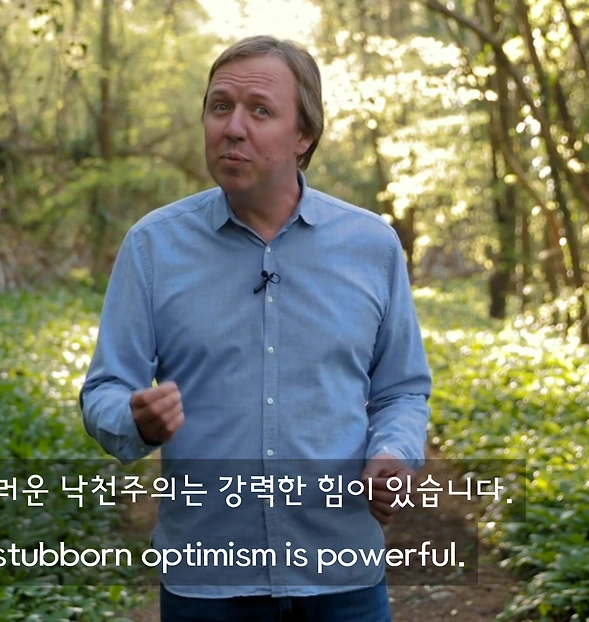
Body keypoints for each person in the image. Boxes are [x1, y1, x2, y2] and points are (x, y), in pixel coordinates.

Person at [78, 34, 433, 621]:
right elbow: (105, 390)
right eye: (220, 107)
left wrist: (394, 452)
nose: (233, 128)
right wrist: (133, 420)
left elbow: (401, 390)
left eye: (260, 111)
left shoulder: (372, 246)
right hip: (206, 584)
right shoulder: (153, 247)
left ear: (304, 135)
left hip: (342, 577)